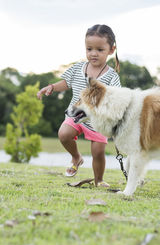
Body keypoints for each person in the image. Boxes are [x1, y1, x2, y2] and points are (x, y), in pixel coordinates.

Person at [37, 24, 121, 187]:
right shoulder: (77, 68)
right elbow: (66, 83)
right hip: (75, 115)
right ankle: (76, 157)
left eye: (99, 49)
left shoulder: (111, 76)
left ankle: (99, 180)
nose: (93, 53)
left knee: (98, 152)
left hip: (98, 122)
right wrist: (52, 87)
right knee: (63, 134)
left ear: (111, 50)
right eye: (89, 49)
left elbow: (115, 98)